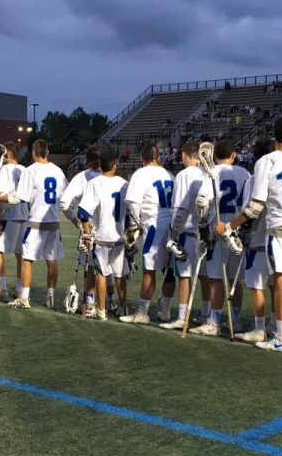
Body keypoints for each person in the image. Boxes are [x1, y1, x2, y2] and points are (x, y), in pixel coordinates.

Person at [217, 115, 282, 353]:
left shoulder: (267, 162)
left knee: (281, 280)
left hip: (279, 227)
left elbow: (255, 207)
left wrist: (230, 226)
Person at [0, 138, 68, 310]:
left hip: (35, 221)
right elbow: (65, 197)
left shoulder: (31, 170)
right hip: (54, 221)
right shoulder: (58, 171)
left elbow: (18, 197)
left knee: (27, 259)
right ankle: (50, 296)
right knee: (51, 260)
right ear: (47, 152)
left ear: (34, 153)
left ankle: (24, 297)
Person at [192, 138, 249, 336]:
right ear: (233, 155)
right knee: (235, 279)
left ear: (215, 156)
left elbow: (202, 202)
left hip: (217, 228)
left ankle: (214, 321)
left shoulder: (212, 173)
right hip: (237, 229)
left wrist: (203, 229)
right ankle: (236, 319)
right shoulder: (244, 173)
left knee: (216, 277)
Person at [119, 144, 176, 325]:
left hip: (153, 224)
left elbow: (133, 203)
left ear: (142, 158)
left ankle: (143, 312)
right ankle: (165, 310)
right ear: (158, 156)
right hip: (172, 225)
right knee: (169, 270)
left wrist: (137, 224)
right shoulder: (170, 175)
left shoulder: (141, 174)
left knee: (149, 270)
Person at [160, 140, 212, 331]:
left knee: (184, 275)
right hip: (206, 231)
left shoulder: (184, 175)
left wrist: (173, 234)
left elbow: (180, 209)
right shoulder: (208, 173)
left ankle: (183, 316)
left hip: (187, 231)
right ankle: (206, 314)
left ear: (184, 155)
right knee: (205, 276)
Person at [233, 138, 276, 343]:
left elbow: (249, 211)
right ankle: (277, 324)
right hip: (278, 239)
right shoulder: (279, 175)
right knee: (277, 284)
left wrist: (235, 229)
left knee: (257, 285)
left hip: (258, 239)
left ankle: (260, 327)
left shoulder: (253, 179)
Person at [78, 151, 128, 321]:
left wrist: (86, 232)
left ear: (100, 166)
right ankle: (122, 308)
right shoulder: (124, 183)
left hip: (102, 235)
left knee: (101, 274)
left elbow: (83, 212)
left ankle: (101, 310)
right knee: (120, 274)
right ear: (114, 166)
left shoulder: (95, 183)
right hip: (119, 235)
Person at [60, 144, 102, 314]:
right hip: (111, 228)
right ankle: (113, 302)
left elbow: (64, 204)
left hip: (88, 227)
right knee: (110, 268)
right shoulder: (113, 178)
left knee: (90, 266)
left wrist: (77, 222)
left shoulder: (82, 177)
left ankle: (90, 303)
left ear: (87, 160)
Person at [0, 141, 27, 301]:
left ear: (6, 155)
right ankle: (19, 287)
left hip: (9, 214)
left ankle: (3, 288)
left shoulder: (4, 170)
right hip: (24, 214)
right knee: (20, 254)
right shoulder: (25, 169)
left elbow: (2, 196)